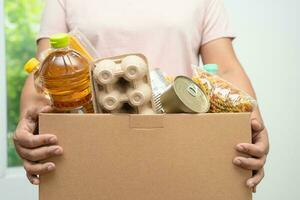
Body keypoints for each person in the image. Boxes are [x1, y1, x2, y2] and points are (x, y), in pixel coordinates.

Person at [13, 0, 269, 192]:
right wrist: (28, 126)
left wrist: (254, 126)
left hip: (181, 148)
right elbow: (45, 67)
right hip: (94, 150)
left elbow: (224, 68)